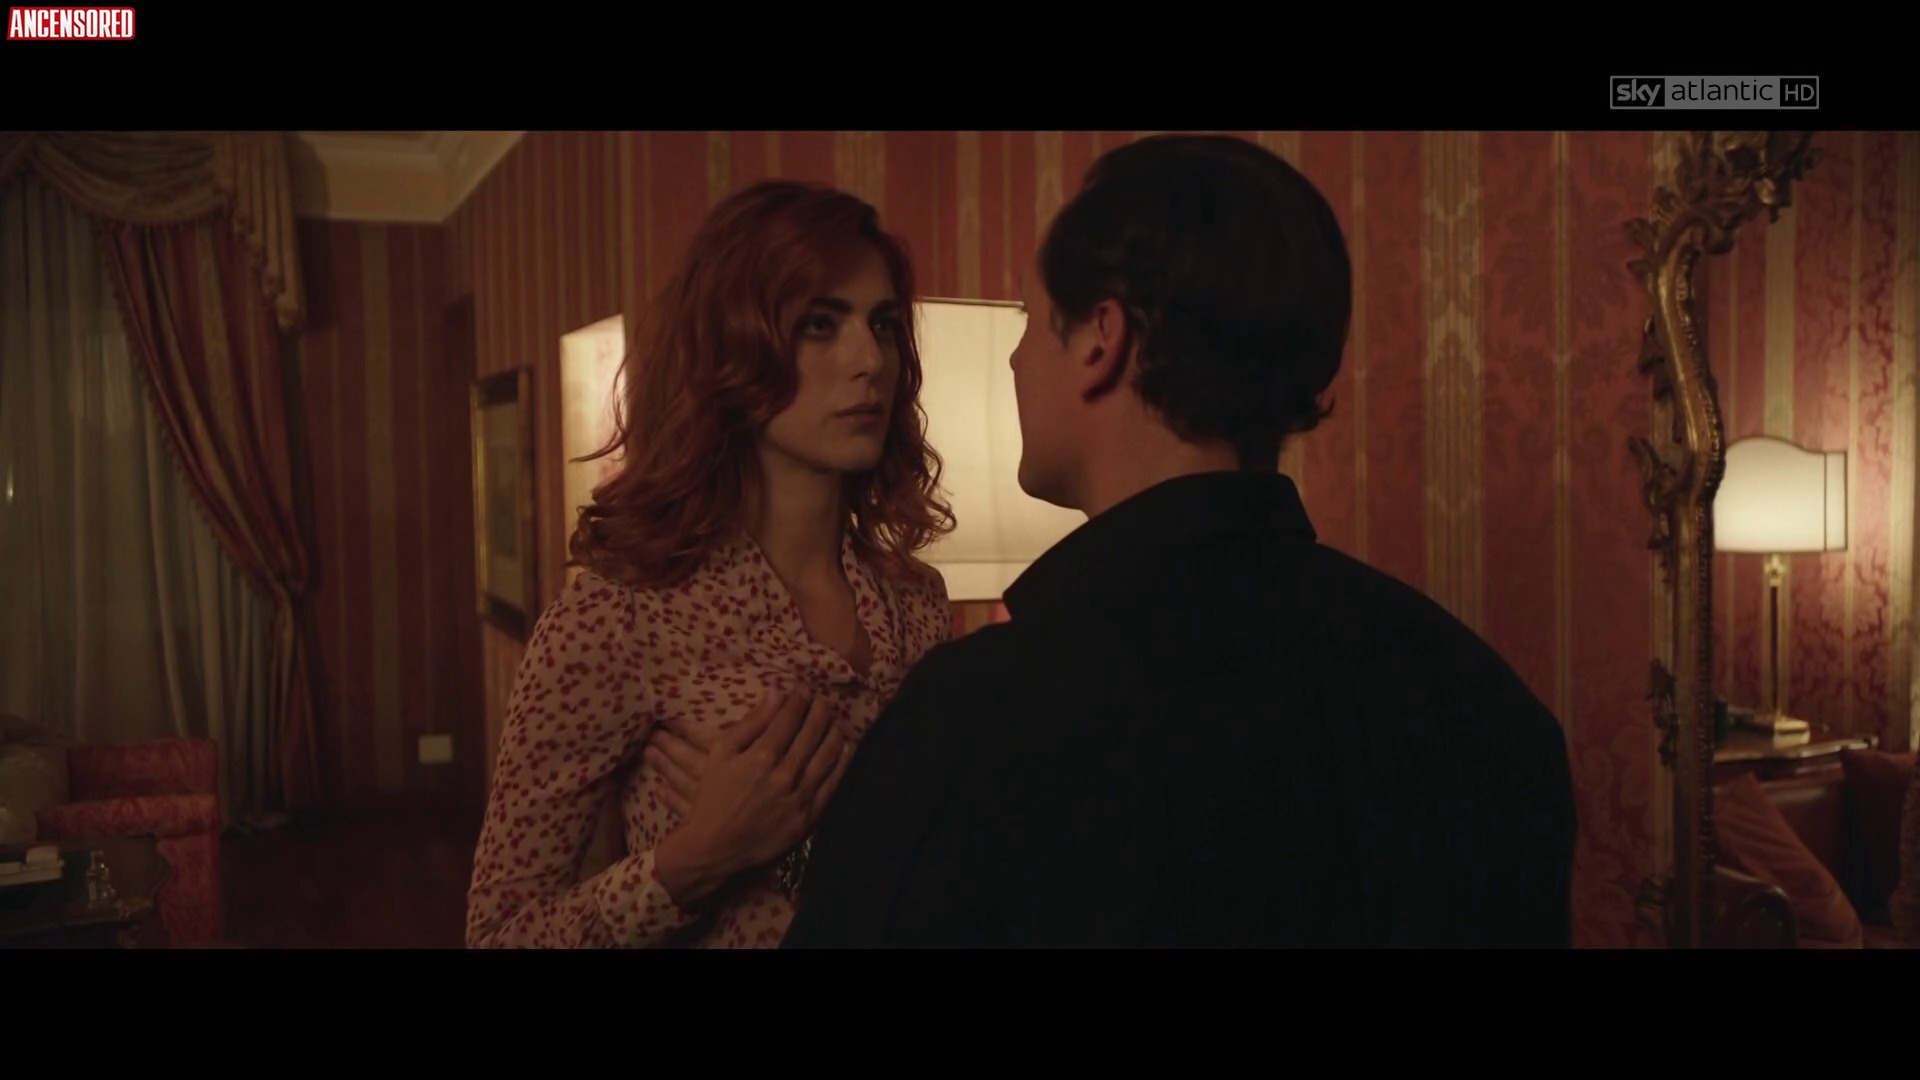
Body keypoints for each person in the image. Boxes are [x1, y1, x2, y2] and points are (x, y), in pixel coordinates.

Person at [779, 134, 1579, 949]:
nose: (1016, 361)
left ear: (1101, 339)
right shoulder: (1487, 704)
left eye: (1028, 321)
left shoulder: (974, 723)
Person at [465, 179, 955, 949]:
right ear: (734, 347)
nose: (870, 360)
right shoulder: (620, 616)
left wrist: (800, 846)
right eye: (819, 324)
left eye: (884, 325)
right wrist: (692, 862)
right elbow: (498, 935)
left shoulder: (916, 602)